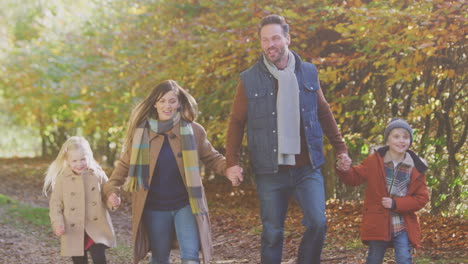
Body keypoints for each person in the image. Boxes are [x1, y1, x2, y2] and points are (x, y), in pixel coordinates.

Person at [225, 14, 351, 264]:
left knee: (318, 222)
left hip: (307, 166)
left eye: (275, 38)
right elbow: (237, 122)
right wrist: (232, 162)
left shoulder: (308, 72)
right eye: (264, 40)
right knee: (273, 232)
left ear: (287, 39)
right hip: (270, 169)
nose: (270, 44)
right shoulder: (248, 79)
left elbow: (323, 111)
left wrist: (341, 149)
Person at [103, 80, 226, 264]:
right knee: (160, 258)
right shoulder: (141, 134)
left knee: (191, 257)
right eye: (162, 101)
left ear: (179, 103)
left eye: (172, 101)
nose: (167, 106)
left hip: (186, 204)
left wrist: (229, 168)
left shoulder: (193, 131)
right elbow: (121, 168)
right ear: (154, 103)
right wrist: (112, 191)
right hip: (154, 207)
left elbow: (212, 157)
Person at [335, 118, 430, 264]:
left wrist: (396, 203)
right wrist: (344, 170)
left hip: (403, 223)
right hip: (378, 221)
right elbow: (355, 178)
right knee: (374, 258)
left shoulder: (416, 167)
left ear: (410, 141)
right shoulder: (375, 161)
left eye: (405, 137)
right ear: (387, 141)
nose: (401, 141)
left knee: (404, 258)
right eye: (396, 136)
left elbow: (422, 198)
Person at [43, 136, 116, 264]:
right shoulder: (62, 179)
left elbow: (107, 191)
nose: (79, 164)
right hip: (74, 227)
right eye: (74, 160)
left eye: (83, 159)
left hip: (95, 225)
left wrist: (112, 199)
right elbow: (55, 205)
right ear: (67, 160)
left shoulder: (97, 173)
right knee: (79, 260)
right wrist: (57, 223)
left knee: (99, 257)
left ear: (89, 156)